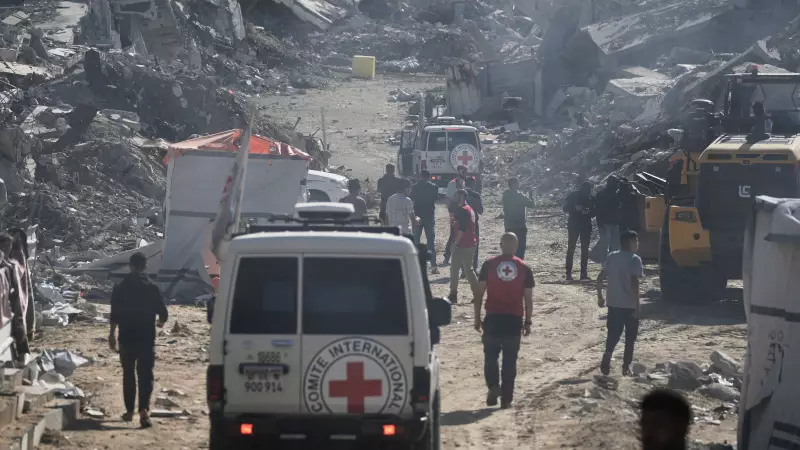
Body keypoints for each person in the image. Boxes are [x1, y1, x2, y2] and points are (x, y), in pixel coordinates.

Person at [473, 233, 534, 409]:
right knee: (510, 360)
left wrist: (477, 318)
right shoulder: (524, 268)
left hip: (493, 317)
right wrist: (528, 322)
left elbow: (479, 293)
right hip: (514, 319)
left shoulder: (489, 264)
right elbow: (528, 299)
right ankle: (506, 398)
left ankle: (493, 386)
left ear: (501, 245)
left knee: (490, 356)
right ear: (516, 246)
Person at [109, 252, 169, 428]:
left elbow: (114, 313)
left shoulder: (121, 287)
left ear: (130, 265)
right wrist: (160, 322)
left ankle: (129, 411)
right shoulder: (152, 287)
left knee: (128, 373)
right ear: (145, 267)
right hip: (146, 338)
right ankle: (143, 411)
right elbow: (163, 313)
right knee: (145, 375)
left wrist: (112, 334)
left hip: (126, 338)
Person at [596, 230, 644, 376]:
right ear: (630, 243)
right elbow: (634, 282)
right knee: (630, 338)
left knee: (613, 334)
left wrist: (600, 296)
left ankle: (607, 355)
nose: (638, 244)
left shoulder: (611, 256)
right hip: (629, 305)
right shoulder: (635, 259)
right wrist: (637, 305)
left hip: (613, 303)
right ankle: (626, 367)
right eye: (636, 241)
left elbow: (600, 278)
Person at [448, 189, 479, 304]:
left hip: (463, 244)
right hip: (470, 243)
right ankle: (477, 294)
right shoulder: (468, 209)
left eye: (456, 195)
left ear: (461, 196)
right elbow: (461, 225)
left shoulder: (463, 210)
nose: (454, 197)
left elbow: (462, 230)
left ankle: (453, 295)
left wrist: (454, 244)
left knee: (455, 270)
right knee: (468, 270)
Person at [410, 170, 440, 273]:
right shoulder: (434, 187)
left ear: (420, 176)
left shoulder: (415, 187)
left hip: (417, 216)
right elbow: (435, 198)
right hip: (429, 216)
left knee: (416, 241)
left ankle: (416, 266)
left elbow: (412, 198)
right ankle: (434, 266)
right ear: (429, 177)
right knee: (430, 242)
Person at [564, 181, 594, 280]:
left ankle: (583, 273)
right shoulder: (573, 196)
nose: (588, 191)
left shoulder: (591, 198)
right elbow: (565, 208)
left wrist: (588, 212)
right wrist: (575, 208)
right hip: (575, 225)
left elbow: (594, 212)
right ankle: (569, 273)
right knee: (572, 249)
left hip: (585, 226)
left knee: (584, 250)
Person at [502, 178, 536, 259]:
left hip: (509, 225)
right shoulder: (520, 196)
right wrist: (530, 194)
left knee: (509, 248)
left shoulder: (505, 194)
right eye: (517, 183)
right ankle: (518, 264)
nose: (518, 184)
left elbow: (515, 200)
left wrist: (523, 193)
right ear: (513, 184)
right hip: (519, 226)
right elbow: (532, 205)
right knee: (520, 249)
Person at [594, 176, 621, 262]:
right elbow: (598, 210)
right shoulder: (604, 194)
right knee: (607, 246)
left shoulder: (616, 194)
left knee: (613, 246)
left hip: (613, 223)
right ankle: (606, 264)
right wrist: (600, 224)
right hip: (606, 224)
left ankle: (610, 263)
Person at [442, 177, 466, 265]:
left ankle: (460, 258)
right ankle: (447, 256)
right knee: (453, 236)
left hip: (463, 215)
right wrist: (451, 215)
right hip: (456, 216)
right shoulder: (452, 184)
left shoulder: (465, 182)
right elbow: (448, 200)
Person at [465, 177, 484, 271]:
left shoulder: (459, 194)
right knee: (474, 245)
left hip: (462, 223)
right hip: (473, 223)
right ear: (473, 184)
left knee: (462, 245)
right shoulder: (476, 195)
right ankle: (474, 267)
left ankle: (464, 269)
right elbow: (480, 210)